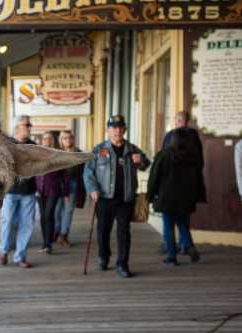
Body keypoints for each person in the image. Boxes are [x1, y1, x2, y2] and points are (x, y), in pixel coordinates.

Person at [84, 115, 150, 278]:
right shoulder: (99, 150)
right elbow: (88, 172)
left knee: (124, 232)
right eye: (113, 128)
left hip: (125, 199)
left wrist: (141, 160)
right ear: (108, 130)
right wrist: (92, 189)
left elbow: (146, 165)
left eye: (120, 127)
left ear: (125, 130)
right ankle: (104, 256)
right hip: (104, 198)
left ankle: (122, 264)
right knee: (103, 231)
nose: (117, 131)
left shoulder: (132, 149)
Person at [147, 128, 206, 265]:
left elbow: (154, 177)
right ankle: (189, 246)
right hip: (185, 198)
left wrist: (150, 195)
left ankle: (172, 257)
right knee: (183, 225)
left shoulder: (164, 155)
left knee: (168, 227)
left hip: (166, 198)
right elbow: (198, 178)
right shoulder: (193, 157)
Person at [159, 111, 205, 255]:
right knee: (183, 219)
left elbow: (163, 161)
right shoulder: (194, 137)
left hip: (170, 186)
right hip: (189, 186)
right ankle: (185, 246)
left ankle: (171, 250)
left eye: (176, 120)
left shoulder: (170, 136)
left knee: (169, 222)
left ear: (178, 121)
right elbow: (200, 162)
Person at [0, 115, 36, 269]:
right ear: (17, 126)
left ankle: (20, 256)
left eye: (29, 125)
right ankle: (3, 250)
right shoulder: (6, 144)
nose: (29, 127)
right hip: (10, 191)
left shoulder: (33, 145)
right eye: (26, 125)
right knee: (7, 222)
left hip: (29, 191)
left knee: (27, 224)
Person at [36, 131, 67, 254]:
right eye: (44, 138)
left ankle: (48, 244)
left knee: (49, 215)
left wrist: (66, 192)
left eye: (49, 138)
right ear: (42, 141)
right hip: (39, 189)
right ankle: (45, 243)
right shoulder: (37, 154)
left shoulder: (57, 155)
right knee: (43, 217)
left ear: (53, 141)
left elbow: (64, 175)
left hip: (53, 189)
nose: (47, 141)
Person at [54, 131, 86, 247]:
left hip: (73, 184)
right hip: (58, 185)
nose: (68, 140)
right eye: (65, 138)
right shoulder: (57, 153)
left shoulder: (78, 153)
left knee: (68, 211)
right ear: (61, 140)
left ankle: (63, 235)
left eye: (70, 138)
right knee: (57, 210)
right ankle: (56, 232)